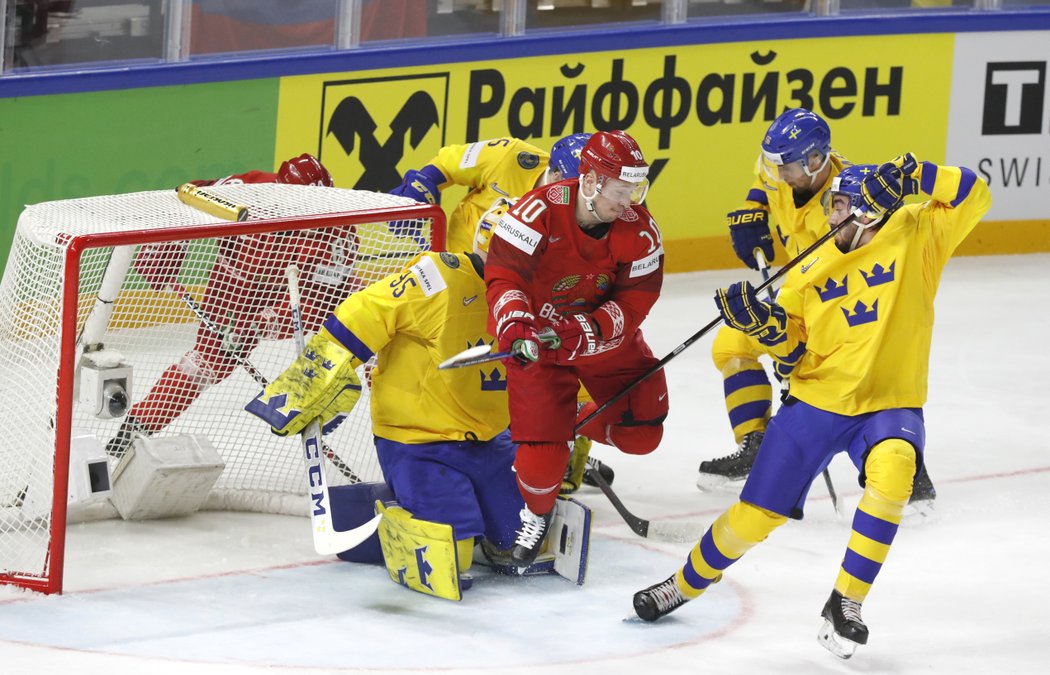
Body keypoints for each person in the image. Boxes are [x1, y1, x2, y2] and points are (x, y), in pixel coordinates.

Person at [632, 157, 991, 659]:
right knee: (753, 518)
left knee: (895, 473)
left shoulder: (917, 232)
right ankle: (685, 582)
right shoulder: (808, 267)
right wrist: (763, 325)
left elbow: (974, 193)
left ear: (869, 209)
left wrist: (914, 176)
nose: (831, 217)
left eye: (841, 205)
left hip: (889, 405)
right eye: (831, 206)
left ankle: (845, 602)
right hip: (815, 406)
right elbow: (794, 350)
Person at [244, 242, 591, 600]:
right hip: (419, 441)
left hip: (489, 440)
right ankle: (371, 510)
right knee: (452, 557)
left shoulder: (539, 295)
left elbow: (558, 362)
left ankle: (451, 510)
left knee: (516, 537)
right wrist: (315, 373)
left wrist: (581, 408)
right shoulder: (437, 278)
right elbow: (369, 309)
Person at [698, 108, 937, 510]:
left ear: (815, 161)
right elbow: (763, 182)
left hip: (839, 300)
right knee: (730, 345)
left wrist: (793, 344)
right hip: (798, 287)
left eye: (785, 167)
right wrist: (752, 210)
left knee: (850, 380)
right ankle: (756, 444)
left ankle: (910, 470)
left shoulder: (849, 199)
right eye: (774, 165)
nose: (777, 174)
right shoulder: (784, 168)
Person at [390, 133, 616, 492]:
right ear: (556, 176)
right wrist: (425, 183)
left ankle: (561, 449)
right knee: (458, 383)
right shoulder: (513, 157)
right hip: (460, 284)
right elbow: (449, 162)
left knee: (567, 362)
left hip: (522, 297)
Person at [484, 129, 668, 567]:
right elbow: (504, 276)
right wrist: (515, 326)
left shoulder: (638, 230)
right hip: (540, 344)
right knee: (541, 466)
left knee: (643, 432)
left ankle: (574, 421)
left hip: (601, 342)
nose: (631, 201)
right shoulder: (535, 212)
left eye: (636, 189)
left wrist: (589, 328)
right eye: (622, 190)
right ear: (590, 181)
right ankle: (536, 513)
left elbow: (636, 300)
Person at [104, 153, 350, 459]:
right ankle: (133, 429)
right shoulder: (248, 188)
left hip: (288, 293)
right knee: (206, 363)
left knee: (354, 333)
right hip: (231, 285)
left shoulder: (338, 229)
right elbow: (188, 194)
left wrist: (261, 324)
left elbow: (322, 303)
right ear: (282, 192)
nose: (315, 210)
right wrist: (166, 249)